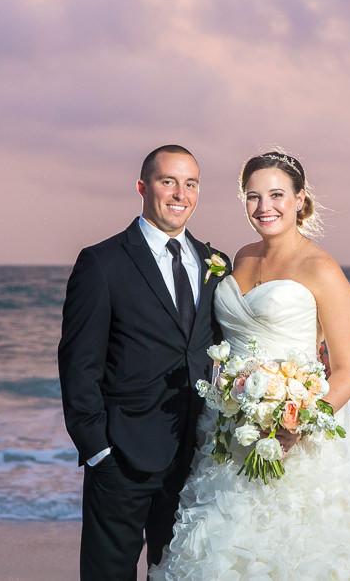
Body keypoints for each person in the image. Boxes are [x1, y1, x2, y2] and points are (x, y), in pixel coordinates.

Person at [151, 151, 350, 580]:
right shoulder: (237, 259)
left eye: (277, 194)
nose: (265, 207)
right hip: (228, 431)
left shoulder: (322, 269)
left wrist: (297, 422)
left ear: (300, 199)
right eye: (253, 196)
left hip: (299, 435)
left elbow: (348, 370)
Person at [58, 145, 232, 581]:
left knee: (178, 573)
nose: (180, 193)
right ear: (142, 187)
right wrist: (98, 449)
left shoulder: (216, 264)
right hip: (122, 456)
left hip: (195, 456)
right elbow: (79, 364)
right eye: (167, 181)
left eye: (190, 183)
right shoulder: (102, 262)